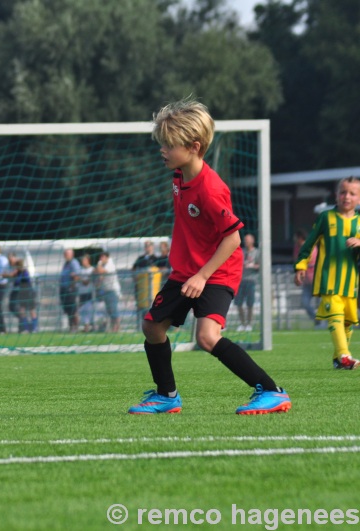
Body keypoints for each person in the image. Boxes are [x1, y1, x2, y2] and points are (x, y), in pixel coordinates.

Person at [129, 97, 290, 415]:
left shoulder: (211, 189)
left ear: (194, 146)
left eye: (168, 145)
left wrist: (202, 276)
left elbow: (233, 238)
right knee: (152, 327)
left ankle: (271, 391)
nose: (162, 150)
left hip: (216, 271)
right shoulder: (179, 177)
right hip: (186, 272)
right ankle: (167, 395)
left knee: (206, 336)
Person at [295, 177, 360, 370]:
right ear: (336, 195)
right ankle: (344, 355)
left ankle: (338, 360)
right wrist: (300, 265)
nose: (346, 196)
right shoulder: (326, 217)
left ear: (359, 198)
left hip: (351, 282)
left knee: (348, 321)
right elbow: (309, 243)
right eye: (342, 192)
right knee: (336, 315)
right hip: (328, 279)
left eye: (352, 193)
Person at [132, 240, 161, 327]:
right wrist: (135, 277)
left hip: (153, 289)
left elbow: (162, 270)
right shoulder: (140, 259)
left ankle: (154, 324)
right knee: (141, 306)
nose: (147, 247)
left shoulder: (156, 259)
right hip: (142, 288)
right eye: (146, 246)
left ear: (152, 247)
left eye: (149, 246)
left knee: (154, 306)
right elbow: (133, 269)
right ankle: (140, 325)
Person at [293, 229, 318, 326]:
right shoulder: (296, 247)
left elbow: (309, 260)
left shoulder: (311, 246)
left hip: (316, 280)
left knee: (324, 304)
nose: (294, 240)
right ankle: (316, 319)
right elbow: (296, 261)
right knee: (305, 302)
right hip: (306, 282)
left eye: (296, 238)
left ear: (300, 238)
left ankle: (328, 322)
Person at [235, 233, 260, 332]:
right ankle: (242, 323)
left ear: (252, 241)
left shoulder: (257, 252)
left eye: (248, 240)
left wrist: (253, 265)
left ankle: (249, 324)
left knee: (250, 304)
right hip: (240, 281)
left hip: (251, 281)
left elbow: (260, 265)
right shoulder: (241, 252)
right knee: (239, 303)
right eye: (245, 240)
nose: (246, 242)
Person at [95, 251, 121, 332]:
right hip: (106, 290)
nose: (101, 259)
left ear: (106, 257)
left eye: (102, 257)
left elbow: (100, 271)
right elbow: (99, 274)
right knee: (110, 310)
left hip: (113, 290)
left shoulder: (110, 264)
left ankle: (117, 327)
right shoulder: (104, 265)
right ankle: (113, 327)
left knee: (114, 310)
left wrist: (99, 264)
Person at [11, 258, 38, 333]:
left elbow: (26, 280)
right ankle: (25, 328)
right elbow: (16, 283)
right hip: (22, 293)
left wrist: (18, 276)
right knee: (22, 311)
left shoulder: (25, 272)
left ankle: (34, 328)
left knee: (32, 310)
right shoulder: (18, 273)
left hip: (28, 293)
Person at [59, 248, 81, 333]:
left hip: (71, 290)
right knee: (68, 310)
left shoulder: (74, 263)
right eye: (65, 254)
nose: (65, 256)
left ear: (71, 254)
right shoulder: (66, 264)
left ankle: (75, 327)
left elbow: (76, 276)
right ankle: (71, 327)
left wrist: (72, 286)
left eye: (67, 254)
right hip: (64, 290)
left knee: (73, 309)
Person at [77, 254, 95, 333]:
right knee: (82, 311)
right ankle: (86, 327)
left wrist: (79, 279)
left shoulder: (92, 270)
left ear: (88, 260)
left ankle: (90, 327)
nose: (82, 262)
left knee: (88, 310)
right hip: (81, 293)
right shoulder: (81, 270)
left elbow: (86, 282)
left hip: (89, 293)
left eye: (84, 260)